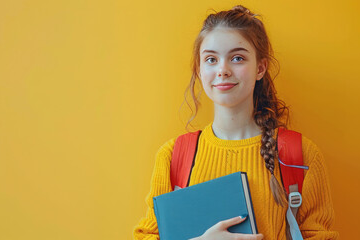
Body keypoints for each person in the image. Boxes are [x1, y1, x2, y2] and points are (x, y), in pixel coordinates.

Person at [133, 5, 338, 240]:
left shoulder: (301, 156)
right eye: (211, 59)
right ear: (199, 70)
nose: (223, 70)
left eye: (237, 58)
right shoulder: (173, 156)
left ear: (260, 68)